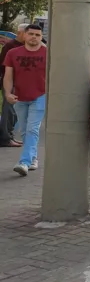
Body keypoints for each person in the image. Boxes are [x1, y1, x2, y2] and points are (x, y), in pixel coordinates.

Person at [4, 25, 47, 176]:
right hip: (19, 96)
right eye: (31, 34)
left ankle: (24, 162)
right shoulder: (13, 53)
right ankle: (33, 158)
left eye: (37, 35)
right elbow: (8, 75)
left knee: (32, 129)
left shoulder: (48, 53)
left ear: (41, 37)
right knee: (24, 130)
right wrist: (8, 93)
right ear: (24, 35)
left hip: (40, 95)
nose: (34, 37)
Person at [0, 23, 27, 148]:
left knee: (14, 111)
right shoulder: (10, 47)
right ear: (20, 33)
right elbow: (4, 66)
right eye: (27, 33)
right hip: (10, 82)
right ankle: (5, 138)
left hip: (19, 82)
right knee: (9, 110)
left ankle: (9, 136)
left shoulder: (24, 46)